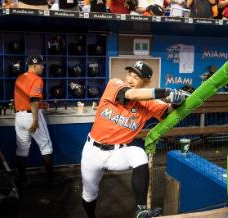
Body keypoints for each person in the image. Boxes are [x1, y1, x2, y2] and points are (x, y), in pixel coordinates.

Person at [81, 61, 190, 218]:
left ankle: (141, 209)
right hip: (93, 151)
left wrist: (177, 102)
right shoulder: (115, 84)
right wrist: (167, 92)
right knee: (89, 194)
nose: (130, 79)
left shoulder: (149, 102)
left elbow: (167, 112)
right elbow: (130, 95)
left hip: (117, 154)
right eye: (129, 74)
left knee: (138, 153)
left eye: (136, 77)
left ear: (146, 82)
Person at [14, 55, 53, 190]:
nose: (43, 67)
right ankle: (50, 180)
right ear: (34, 65)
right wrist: (35, 120)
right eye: (41, 65)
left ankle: (23, 180)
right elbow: (34, 100)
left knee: (22, 149)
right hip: (32, 116)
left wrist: (42, 105)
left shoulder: (20, 78)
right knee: (46, 146)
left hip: (19, 117)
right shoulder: (37, 79)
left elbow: (26, 99)